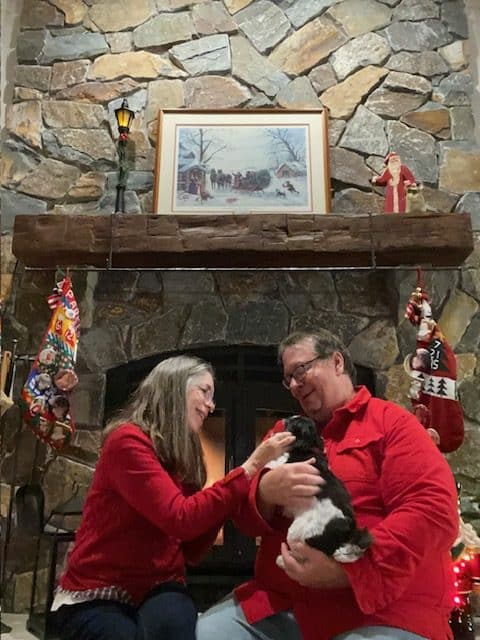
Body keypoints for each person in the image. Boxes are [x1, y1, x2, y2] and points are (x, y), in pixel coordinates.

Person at [197, 330, 459, 640]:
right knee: (208, 632)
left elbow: (433, 511)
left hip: (378, 608)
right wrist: (265, 493)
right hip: (283, 603)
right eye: (288, 379)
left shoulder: (393, 424)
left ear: (336, 362)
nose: (294, 385)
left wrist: (350, 570)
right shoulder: (284, 431)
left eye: (301, 370)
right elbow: (240, 512)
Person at [52, 354, 295, 640]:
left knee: (176, 627)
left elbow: (191, 549)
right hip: (100, 588)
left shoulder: (184, 454)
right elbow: (178, 518)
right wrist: (247, 470)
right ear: (175, 388)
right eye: (205, 392)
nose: (211, 405)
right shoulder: (127, 442)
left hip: (159, 584)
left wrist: (230, 500)